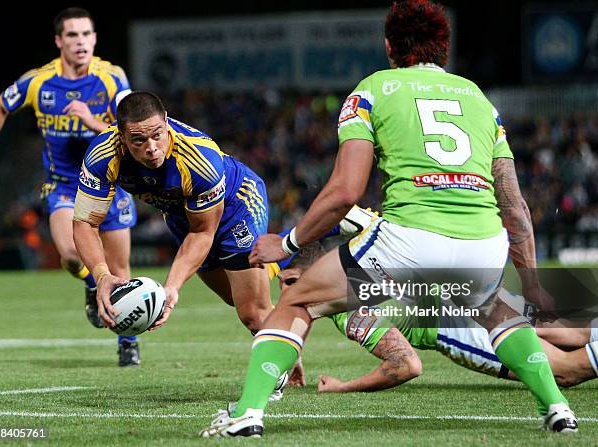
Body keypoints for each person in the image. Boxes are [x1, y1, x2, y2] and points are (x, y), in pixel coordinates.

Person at [200, 0, 577, 437]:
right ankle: (558, 409)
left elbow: (344, 192)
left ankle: (247, 414)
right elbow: (514, 205)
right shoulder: (478, 99)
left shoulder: (373, 90)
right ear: (444, 49)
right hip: (483, 240)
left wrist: (285, 244)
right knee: (498, 312)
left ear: (388, 46)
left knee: (298, 301)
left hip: (410, 239)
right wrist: (531, 283)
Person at [72, 91, 295, 396]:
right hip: (182, 215)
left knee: (252, 313)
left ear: (166, 124)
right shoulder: (102, 156)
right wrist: (101, 275)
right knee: (235, 297)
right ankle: (286, 294)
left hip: (236, 204)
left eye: (157, 135)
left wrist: (171, 287)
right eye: (138, 140)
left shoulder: (200, 158)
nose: (151, 148)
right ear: (120, 136)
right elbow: (85, 223)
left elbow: (203, 233)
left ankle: (295, 256)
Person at [0, 7, 139, 366]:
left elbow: (131, 130)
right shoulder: (38, 81)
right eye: (72, 35)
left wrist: (90, 120)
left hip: (109, 182)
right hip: (63, 185)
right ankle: (91, 285)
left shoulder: (112, 78)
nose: (81, 41)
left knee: (120, 268)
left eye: (87, 34)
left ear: (95, 39)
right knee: (71, 257)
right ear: (59, 41)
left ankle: (127, 341)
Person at [274, 246, 598, 392]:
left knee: (564, 372)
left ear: (309, 276)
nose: (286, 294)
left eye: (290, 282)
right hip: (475, 291)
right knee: (576, 335)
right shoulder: (359, 262)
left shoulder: (348, 312)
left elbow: (406, 365)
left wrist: (343, 387)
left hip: (456, 326)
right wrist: (296, 352)